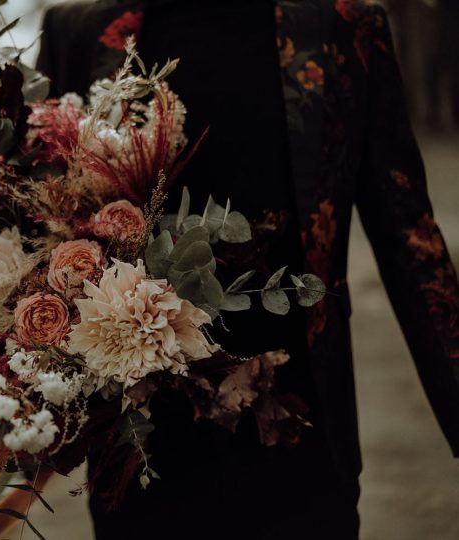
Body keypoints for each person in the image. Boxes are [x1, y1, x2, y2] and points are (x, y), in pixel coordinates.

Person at [36, 1, 459, 538]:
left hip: (299, 429)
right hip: (144, 445)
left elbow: (408, 232)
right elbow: (44, 227)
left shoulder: (341, 28)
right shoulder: (81, 32)